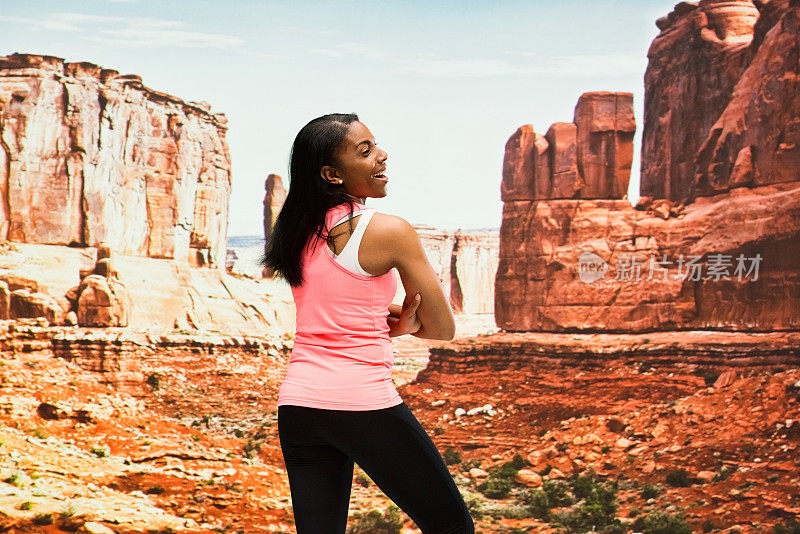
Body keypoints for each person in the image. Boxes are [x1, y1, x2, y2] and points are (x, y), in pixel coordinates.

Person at [261, 113, 475, 534]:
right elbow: (442, 328)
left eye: (376, 145)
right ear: (332, 174)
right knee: (453, 528)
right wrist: (410, 326)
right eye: (366, 151)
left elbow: (333, 315)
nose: (382, 156)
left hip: (299, 406)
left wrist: (388, 328)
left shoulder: (294, 232)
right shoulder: (388, 231)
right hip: (361, 403)